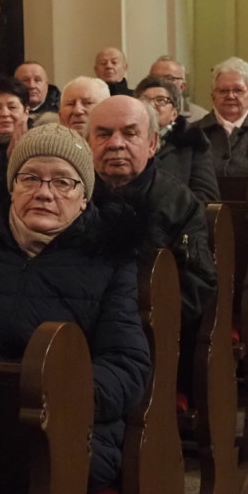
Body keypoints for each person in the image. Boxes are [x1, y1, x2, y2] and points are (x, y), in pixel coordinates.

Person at [0, 124, 150, 492]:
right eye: (30, 178)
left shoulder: (109, 257)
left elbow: (126, 364)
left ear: (85, 197)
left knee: (0, 470)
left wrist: (58, 398)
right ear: (12, 187)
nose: (44, 193)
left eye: (63, 182)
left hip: (70, 423)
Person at [87, 96, 217, 390]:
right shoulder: (73, 195)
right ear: (88, 142)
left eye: (130, 133)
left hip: (147, 342)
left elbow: (197, 287)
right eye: (104, 134)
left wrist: (132, 324)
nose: (116, 144)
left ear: (152, 143)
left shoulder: (178, 203)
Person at [134, 77, 219, 203]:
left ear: (174, 113)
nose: (151, 105)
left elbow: (206, 196)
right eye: (144, 100)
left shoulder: (193, 142)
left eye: (160, 100)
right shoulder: (125, 142)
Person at [150, 55, 207, 122]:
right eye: (154, 78)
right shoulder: (139, 112)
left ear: (182, 86)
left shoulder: (201, 119)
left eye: (168, 79)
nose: (159, 83)